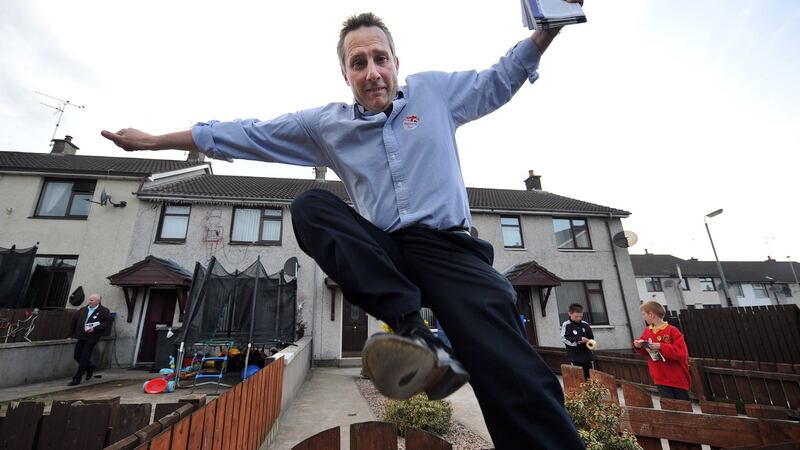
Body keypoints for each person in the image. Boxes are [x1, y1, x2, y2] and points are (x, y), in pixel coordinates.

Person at [101, 8, 586, 448]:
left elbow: (498, 79)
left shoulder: (436, 93)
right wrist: (155, 142)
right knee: (311, 206)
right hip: (388, 252)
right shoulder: (324, 125)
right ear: (346, 74)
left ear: (396, 62)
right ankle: (415, 334)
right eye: (359, 64)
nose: (372, 73)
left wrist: (546, 30)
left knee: (516, 375)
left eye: (380, 59)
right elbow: (246, 132)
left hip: (453, 253)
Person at [633, 300, 691, 400]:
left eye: (644, 314)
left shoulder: (672, 330)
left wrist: (661, 346)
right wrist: (638, 346)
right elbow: (644, 351)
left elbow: (682, 353)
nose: (644, 317)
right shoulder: (647, 331)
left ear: (651, 314)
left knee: (683, 407)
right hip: (659, 377)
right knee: (668, 407)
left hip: (676, 377)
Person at [68, 293, 112, 386]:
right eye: (89, 300)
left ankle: (77, 378)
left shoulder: (104, 311)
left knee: (84, 357)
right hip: (81, 336)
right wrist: (70, 335)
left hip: (92, 337)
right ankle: (90, 367)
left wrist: (95, 329)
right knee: (77, 356)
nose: (89, 301)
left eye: (92, 300)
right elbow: (73, 321)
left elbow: (107, 323)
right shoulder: (83, 310)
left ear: (98, 301)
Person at [561, 303, 594, 380]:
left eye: (581, 316)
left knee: (590, 379)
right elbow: (565, 339)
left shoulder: (585, 324)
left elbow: (591, 338)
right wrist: (578, 340)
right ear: (570, 314)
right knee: (578, 379)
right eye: (576, 316)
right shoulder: (566, 325)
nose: (579, 318)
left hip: (588, 357)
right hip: (575, 357)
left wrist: (589, 341)